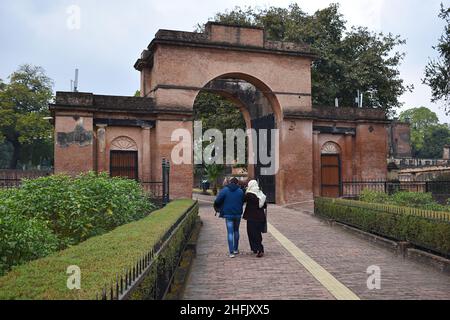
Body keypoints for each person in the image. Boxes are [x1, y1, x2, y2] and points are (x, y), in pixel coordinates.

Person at [214, 177, 244, 258]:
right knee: (236, 231)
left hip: (228, 214)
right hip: (237, 214)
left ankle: (231, 252)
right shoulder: (240, 191)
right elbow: (242, 201)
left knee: (230, 232)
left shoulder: (225, 190)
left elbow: (217, 200)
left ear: (230, 182)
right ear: (237, 183)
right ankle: (235, 249)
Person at [243, 180, 267, 258]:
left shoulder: (249, 194)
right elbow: (265, 205)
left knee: (252, 233)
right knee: (258, 233)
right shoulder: (260, 193)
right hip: (260, 217)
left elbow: (242, 200)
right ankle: (256, 248)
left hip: (252, 217)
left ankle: (259, 249)